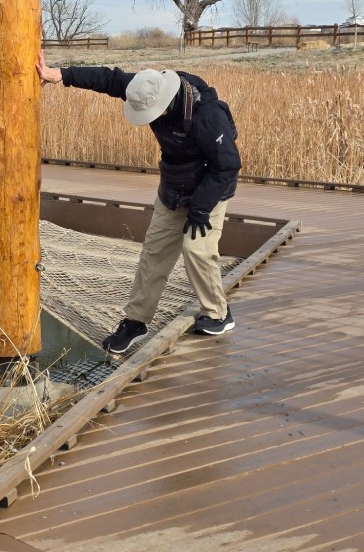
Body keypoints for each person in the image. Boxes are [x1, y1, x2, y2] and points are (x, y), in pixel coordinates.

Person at [36, 50, 241, 354]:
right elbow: (107, 78)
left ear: (165, 104)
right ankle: (136, 321)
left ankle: (218, 314)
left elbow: (227, 165)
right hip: (173, 186)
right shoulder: (145, 85)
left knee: (196, 249)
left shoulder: (207, 115)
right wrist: (61, 75)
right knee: (154, 251)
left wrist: (200, 208)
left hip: (210, 188)